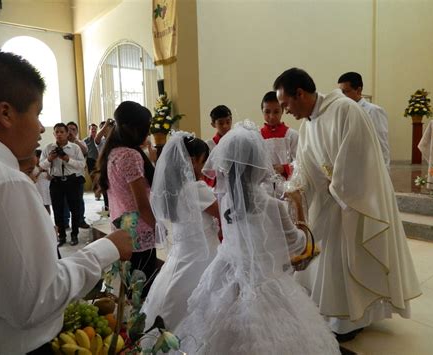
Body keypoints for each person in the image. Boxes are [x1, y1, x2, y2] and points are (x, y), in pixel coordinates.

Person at [0, 47, 132, 354]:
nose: (41, 127)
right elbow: (36, 301)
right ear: (6, 113)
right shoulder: (7, 183)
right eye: (37, 112)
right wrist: (106, 248)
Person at [273, 68, 421, 341]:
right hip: (330, 200)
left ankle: (350, 320)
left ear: (300, 94)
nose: (285, 111)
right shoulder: (307, 124)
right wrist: (295, 189)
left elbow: (358, 159)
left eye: (285, 105)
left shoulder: (345, 111)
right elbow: (304, 165)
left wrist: (335, 188)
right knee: (325, 260)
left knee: (346, 259)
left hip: (352, 199)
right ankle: (333, 314)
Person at [175, 122, 340, 355]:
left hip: (227, 273)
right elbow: (299, 243)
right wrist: (297, 204)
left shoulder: (226, 200)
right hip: (264, 281)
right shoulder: (274, 206)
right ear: (258, 163)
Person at [141, 133, 220, 347]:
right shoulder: (197, 188)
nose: (204, 167)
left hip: (182, 251)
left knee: (171, 292)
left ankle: (156, 338)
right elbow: (222, 212)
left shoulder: (173, 190)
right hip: (203, 253)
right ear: (192, 161)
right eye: (203, 161)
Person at [96, 101, 157, 298]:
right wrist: (158, 226)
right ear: (133, 129)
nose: (147, 135)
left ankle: (133, 325)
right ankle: (144, 328)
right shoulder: (130, 155)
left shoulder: (112, 151)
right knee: (143, 290)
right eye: (145, 129)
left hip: (122, 228)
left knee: (132, 289)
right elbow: (141, 203)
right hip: (139, 230)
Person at [40, 123, 86, 246]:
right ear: (54, 134)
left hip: (72, 182)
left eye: (62, 132)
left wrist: (67, 159)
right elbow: (40, 165)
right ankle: (62, 236)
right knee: (57, 210)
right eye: (57, 132)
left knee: (75, 209)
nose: (59, 134)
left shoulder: (75, 148)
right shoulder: (49, 148)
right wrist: (50, 159)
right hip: (56, 182)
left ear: (67, 133)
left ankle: (75, 234)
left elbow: (82, 165)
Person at [338, 72, 390, 170]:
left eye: (345, 92)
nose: (341, 96)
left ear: (358, 90)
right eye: (340, 93)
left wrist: (384, 172)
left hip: (369, 168)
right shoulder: (342, 112)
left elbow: (381, 144)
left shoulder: (373, 111)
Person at [260, 91, 298, 180]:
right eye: (267, 112)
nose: (272, 116)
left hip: (288, 185)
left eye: (276, 112)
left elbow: (300, 163)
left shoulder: (292, 135)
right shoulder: (257, 136)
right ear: (262, 111)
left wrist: (284, 168)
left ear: (283, 111)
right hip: (265, 187)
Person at [67, 121, 90, 228]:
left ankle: (81, 220)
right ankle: (65, 222)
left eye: (73, 129)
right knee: (65, 201)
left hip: (77, 177)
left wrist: (75, 140)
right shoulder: (61, 144)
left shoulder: (80, 143)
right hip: (65, 177)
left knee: (78, 201)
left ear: (77, 131)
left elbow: (85, 151)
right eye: (69, 129)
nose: (71, 131)